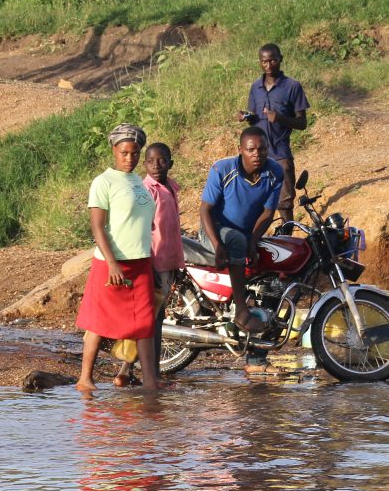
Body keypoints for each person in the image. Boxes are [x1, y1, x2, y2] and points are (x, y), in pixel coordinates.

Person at [75, 123, 160, 393]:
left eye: (135, 153)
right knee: (99, 321)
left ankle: (150, 382)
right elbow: (97, 227)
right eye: (124, 153)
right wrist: (112, 263)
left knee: (144, 323)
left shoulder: (138, 182)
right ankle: (85, 378)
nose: (129, 158)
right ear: (114, 149)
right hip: (112, 263)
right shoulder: (103, 182)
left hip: (141, 262)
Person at [199, 127, 283, 344]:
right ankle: (241, 311)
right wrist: (217, 244)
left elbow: (268, 213)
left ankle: (263, 332)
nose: (257, 154)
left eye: (262, 149)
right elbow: (205, 210)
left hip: (247, 234)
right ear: (240, 150)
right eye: (251, 149)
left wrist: (253, 242)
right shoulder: (222, 169)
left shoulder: (275, 172)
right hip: (214, 229)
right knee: (236, 239)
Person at [113, 140, 184, 387]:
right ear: (144, 164)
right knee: (151, 321)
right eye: (151, 161)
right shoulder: (147, 190)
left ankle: (128, 371)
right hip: (154, 261)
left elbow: (171, 228)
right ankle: (148, 375)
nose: (156, 166)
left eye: (162, 161)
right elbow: (143, 229)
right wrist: (148, 266)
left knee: (155, 317)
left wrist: (178, 265)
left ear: (171, 163)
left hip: (168, 261)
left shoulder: (170, 187)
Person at [240, 43, 309, 227]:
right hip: (257, 152)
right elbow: (254, 119)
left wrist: (279, 118)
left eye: (273, 60)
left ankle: (288, 234)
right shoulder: (255, 87)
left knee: (285, 199)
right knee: (253, 198)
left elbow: (302, 123)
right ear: (259, 62)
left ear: (280, 60)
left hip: (279, 150)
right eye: (264, 61)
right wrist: (246, 117)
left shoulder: (292, 87)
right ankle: (256, 238)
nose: (269, 65)